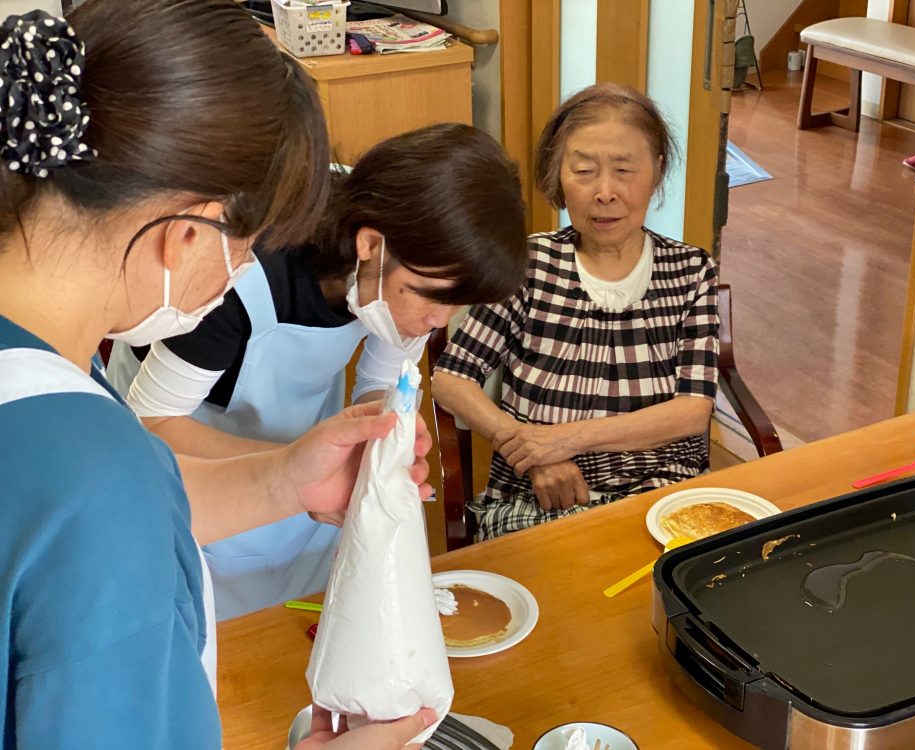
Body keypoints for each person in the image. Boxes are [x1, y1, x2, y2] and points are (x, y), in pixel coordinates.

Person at [0, 2, 434, 747]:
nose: (238, 273)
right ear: (187, 233)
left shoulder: (48, 382)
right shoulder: (96, 475)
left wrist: (288, 480)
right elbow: (108, 515)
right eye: (248, 245)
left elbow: (116, 517)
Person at [106, 124, 527, 619]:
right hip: (196, 485)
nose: (438, 321)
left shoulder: (401, 255)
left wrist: (381, 441)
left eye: (457, 304)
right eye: (431, 297)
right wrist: (301, 468)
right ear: (369, 244)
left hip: (302, 480)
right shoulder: (239, 275)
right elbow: (151, 424)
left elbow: (380, 383)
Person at [432, 83, 720, 539]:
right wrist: (532, 456)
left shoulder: (691, 270)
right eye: (584, 170)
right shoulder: (528, 265)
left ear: (657, 170)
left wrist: (565, 439)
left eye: (624, 170)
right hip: (538, 495)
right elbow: (450, 378)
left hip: (663, 491)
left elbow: (692, 411)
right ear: (558, 175)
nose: (605, 192)